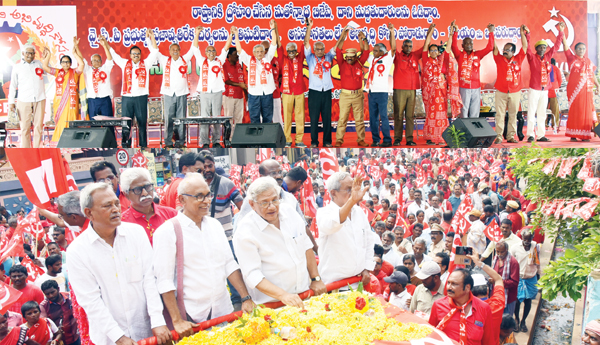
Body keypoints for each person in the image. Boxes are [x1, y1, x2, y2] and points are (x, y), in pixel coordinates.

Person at [68, 183, 171, 345]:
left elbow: (149, 279)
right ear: (89, 213)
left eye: (116, 203)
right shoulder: (77, 251)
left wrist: (157, 320)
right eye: (107, 206)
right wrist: (118, 336)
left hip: (147, 331)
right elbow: (90, 301)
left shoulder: (136, 234)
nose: (116, 209)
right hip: (109, 339)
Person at [153, 173, 254, 337]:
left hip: (223, 311)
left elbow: (229, 264)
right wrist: (178, 320)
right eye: (199, 197)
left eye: (208, 195)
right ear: (182, 199)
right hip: (192, 317)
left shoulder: (214, 225)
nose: (207, 201)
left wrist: (245, 297)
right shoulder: (167, 231)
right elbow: (164, 281)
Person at [233, 177, 326, 306]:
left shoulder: (289, 213)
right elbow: (252, 275)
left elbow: (306, 246)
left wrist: (315, 278)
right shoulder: (245, 231)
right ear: (252, 204)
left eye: (275, 200)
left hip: (305, 296)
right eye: (264, 202)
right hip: (273, 305)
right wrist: (283, 295)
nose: (272, 207)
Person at [316, 173, 375, 286]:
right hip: (334, 285)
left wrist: (366, 267)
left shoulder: (359, 212)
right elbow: (333, 224)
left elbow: (368, 241)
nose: (353, 192)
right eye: (348, 189)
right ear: (333, 192)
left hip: (358, 281)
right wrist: (352, 201)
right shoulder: (323, 213)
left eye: (353, 188)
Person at [108, 29, 158, 148]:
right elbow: (113, 54)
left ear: (140, 55)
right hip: (127, 98)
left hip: (141, 98)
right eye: (133, 54)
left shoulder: (145, 64)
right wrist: (105, 44)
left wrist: (150, 38)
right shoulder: (125, 63)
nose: (136, 55)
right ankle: (126, 144)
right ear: (130, 55)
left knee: (141, 123)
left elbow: (155, 51)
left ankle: (143, 145)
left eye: (138, 54)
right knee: (126, 123)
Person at [153, 28, 196, 148]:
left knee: (181, 119)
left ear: (180, 51)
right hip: (168, 94)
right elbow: (155, 51)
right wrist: (151, 37)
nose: (175, 51)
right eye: (173, 50)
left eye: (177, 49)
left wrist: (196, 34)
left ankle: (181, 142)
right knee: (168, 119)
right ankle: (168, 142)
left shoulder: (184, 59)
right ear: (170, 51)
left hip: (181, 94)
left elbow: (193, 49)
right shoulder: (165, 60)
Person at [429, 269, 494, 345]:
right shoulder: (438, 305)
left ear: (467, 287)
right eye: (448, 283)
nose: (449, 287)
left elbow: (489, 341)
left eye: (454, 284)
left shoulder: (483, 308)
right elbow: (430, 335)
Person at [193, 26, 233, 148]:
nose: (211, 53)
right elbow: (195, 49)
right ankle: (205, 141)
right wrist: (197, 34)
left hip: (216, 93)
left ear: (216, 53)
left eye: (213, 51)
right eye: (209, 51)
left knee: (216, 117)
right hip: (204, 93)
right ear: (205, 53)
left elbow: (226, 48)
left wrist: (231, 34)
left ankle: (216, 141)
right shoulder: (201, 61)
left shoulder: (219, 61)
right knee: (204, 118)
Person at [524, 22, 564, 142]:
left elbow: (556, 46)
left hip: (545, 90)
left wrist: (560, 32)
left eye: (544, 47)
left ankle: (541, 135)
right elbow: (527, 47)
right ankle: (530, 135)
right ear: (536, 49)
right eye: (540, 47)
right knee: (531, 112)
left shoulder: (548, 57)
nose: (543, 49)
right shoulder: (531, 57)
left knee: (542, 113)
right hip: (534, 89)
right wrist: (528, 34)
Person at [41, 38, 85, 142]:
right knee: (60, 122)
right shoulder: (57, 72)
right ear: (61, 64)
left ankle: (72, 141)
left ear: (70, 63)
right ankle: (59, 140)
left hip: (71, 103)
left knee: (71, 121)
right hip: (59, 102)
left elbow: (82, 65)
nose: (66, 64)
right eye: (64, 62)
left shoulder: (75, 72)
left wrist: (75, 54)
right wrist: (49, 56)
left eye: (68, 62)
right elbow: (45, 67)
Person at [233, 21, 278, 123]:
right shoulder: (249, 60)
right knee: (254, 118)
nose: (259, 53)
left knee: (268, 118)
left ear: (264, 52)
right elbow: (239, 50)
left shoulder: (268, 58)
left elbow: (274, 44)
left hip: (267, 92)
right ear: (254, 53)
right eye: (257, 52)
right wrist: (236, 34)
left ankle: (267, 138)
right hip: (254, 93)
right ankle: (256, 139)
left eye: (261, 51)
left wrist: (273, 29)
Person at [120, 167, 177, 244]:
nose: (145, 193)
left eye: (148, 187)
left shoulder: (172, 215)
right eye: (137, 190)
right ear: (126, 195)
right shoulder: (121, 223)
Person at [334, 26, 370, 147]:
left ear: (355, 57)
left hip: (358, 95)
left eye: (351, 57)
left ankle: (361, 139)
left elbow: (366, 51)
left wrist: (363, 38)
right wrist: (343, 36)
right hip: (345, 95)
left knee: (359, 119)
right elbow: (338, 50)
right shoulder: (342, 63)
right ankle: (339, 139)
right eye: (347, 57)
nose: (349, 59)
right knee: (342, 118)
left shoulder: (360, 62)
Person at [451, 22, 495, 118]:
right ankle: (465, 130)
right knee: (464, 109)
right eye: (466, 43)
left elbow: (490, 48)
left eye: (470, 43)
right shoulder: (459, 55)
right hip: (464, 87)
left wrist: (491, 33)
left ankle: (473, 131)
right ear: (462, 46)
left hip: (476, 87)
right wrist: (456, 32)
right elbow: (453, 46)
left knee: (475, 110)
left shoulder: (478, 55)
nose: (469, 45)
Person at [492, 25, 527, 144]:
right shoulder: (499, 59)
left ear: (513, 51)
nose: (504, 51)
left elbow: (525, 46)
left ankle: (511, 136)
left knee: (513, 115)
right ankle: (499, 136)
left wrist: (522, 34)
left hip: (515, 91)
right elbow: (494, 47)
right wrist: (492, 33)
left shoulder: (519, 58)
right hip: (501, 91)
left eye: (507, 49)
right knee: (499, 115)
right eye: (504, 49)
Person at [561, 35, 600, 142]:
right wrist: (562, 33)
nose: (581, 50)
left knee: (586, 112)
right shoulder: (571, 58)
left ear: (585, 50)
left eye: (583, 49)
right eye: (579, 48)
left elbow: (592, 75)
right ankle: (573, 134)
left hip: (587, 92)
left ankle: (585, 135)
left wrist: (598, 85)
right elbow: (565, 45)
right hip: (575, 91)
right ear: (575, 50)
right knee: (575, 111)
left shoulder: (588, 61)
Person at [8, 44, 48, 148]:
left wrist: (46, 58)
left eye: (32, 53)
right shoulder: (17, 67)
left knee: (38, 126)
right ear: (23, 53)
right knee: (25, 128)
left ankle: (36, 149)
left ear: (35, 54)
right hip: (23, 99)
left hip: (39, 98)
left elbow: (47, 74)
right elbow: (12, 86)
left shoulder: (39, 63)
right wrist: (11, 102)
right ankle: (26, 151)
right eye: (27, 53)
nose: (30, 55)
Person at [421, 23, 454, 145]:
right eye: (432, 50)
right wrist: (431, 31)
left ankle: (441, 136)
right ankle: (430, 137)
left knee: (442, 114)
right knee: (431, 114)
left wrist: (451, 33)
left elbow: (448, 48)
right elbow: (426, 44)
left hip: (441, 92)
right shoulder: (426, 60)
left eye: (436, 50)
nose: (434, 51)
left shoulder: (441, 60)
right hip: (430, 93)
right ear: (429, 52)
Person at [304, 19, 335, 147]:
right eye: (317, 49)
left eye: (321, 49)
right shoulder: (310, 57)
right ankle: (314, 142)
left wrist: (344, 32)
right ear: (314, 50)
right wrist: (309, 27)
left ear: (324, 49)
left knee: (327, 118)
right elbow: (306, 42)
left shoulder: (328, 56)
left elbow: (337, 46)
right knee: (314, 119)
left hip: (326, 91)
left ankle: (327, 141)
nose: (319, 51)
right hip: (314, 92)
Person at [365, 23, 396, 147]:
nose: (374, 52)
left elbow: (393, 48)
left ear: (383, 52)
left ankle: (387, 140)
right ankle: (375, 140)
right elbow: (366, 51)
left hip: (382, 92)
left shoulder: (388, 58)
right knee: (373, 119)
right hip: (371, 92)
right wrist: (363, 40)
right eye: (374, 50)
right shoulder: (372, 59)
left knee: (383, 117)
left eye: (377, 51)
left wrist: (392, 32)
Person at [392, 34, 425, 146]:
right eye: (406, 46)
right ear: (402, 47)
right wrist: (392, 32)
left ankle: (409, 139)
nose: (408, 48)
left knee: (410, 116)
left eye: (410, 46)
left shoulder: (415, 55)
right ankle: (397, 139)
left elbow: (426, 45)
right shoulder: (397, 56)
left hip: (412, 90)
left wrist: (430, 32)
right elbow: (392, 46)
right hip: (400, 90)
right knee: (399, 115)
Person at [278, 35, 307, 148]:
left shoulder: (300, 58)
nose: (291, 52)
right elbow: (278, 44)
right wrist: (274, 28)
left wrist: (308, 28)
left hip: (299, 90)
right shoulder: (283, 58)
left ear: (296, 51)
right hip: (287, 92)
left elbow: (305, 43)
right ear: (286, 51)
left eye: (293, 51)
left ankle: (299, 140)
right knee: (287, 116)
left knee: (300, 116)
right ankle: (287, 139)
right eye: (289, 51)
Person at [510, 229, 540, 333]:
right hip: (519, 277)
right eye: (525, 239)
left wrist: (539, 274)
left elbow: (537, 261)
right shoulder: (515, 248)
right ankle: (517, 320)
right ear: (522, 237)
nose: (527, 241)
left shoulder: (535, 246)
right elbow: (511, 262)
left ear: (533, 238)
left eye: (529, 239)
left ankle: (523, 321)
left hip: (531, 277)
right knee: (517, 301)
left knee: (528, 301)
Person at [79, 35, 114, 120]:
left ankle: (109, 134)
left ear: (101, 62)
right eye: (94, 60)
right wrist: (76, 47)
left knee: (108, 123)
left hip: (105, 99)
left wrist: (104, 46)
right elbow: (81, 59)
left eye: (99, 60)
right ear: (91, 62)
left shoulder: (106, 68)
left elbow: (109, 58)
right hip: (92, 100)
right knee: (94, 124)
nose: (97, 62)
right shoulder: (87, 70)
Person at [40, 280, 80, 345]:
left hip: (75, 337)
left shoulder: (70, 297)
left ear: (58, 289)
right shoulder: (44, 306)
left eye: (53, 292)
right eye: (47, 294)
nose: (51, 296)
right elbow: (45, 324)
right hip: (58, 341)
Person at [492, 240, 520, 316]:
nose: (499, 254)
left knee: (506, 321)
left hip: (508, 297)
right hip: (496, 295)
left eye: (502, 252)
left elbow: (514, 282)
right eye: (497, 252)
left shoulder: (513, 262)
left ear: (506, 250)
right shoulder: (495, 258)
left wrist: (497, 282)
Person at [223, 47, 246, 136]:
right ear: (229, 55)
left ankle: (237, 138)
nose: (237, 56)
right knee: (228, 119)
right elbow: (226, 80)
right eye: (235, 54)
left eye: (237, 54)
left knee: (239, 119)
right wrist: (239, 85)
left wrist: (246, 96)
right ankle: (228, 138)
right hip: (229, 96)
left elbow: (242, 81)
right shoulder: (224, 65)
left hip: (239, 96)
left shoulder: (239, 66)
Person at [546, 58, 563, 134]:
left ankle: (545, 125)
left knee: (544, 109)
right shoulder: (556, 68)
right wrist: (556, 87)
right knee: (555, 110)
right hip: (554, 91)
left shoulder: (544, 68)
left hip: (545, 91)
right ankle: (554, 125)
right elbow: (560, 80)